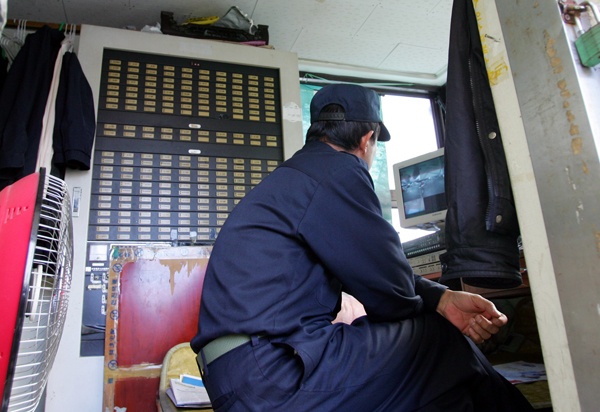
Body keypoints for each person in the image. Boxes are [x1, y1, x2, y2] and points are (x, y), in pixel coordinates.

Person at [190, 84, 533, 411]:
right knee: (441, 342)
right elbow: (393, 294)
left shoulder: (298, 175)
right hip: (271, 374)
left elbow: (376, 275)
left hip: (239, 376)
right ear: (367, 139)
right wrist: (438, 308)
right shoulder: (339, 170)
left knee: (437, 389)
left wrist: (441, 299)